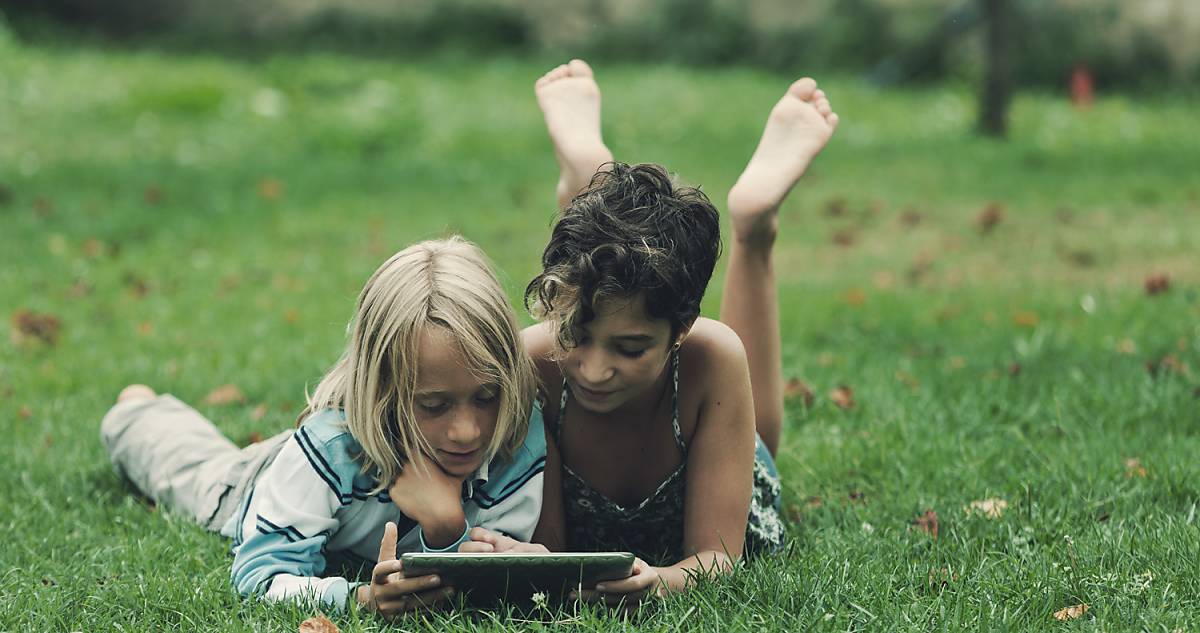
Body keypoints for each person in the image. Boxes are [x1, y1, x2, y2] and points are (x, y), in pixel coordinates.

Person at [477, 59, 838, 604]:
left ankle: (754, 226)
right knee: (594, 278)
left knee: (758, 439)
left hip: (717, 447)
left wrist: (659, 583)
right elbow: (547, 545)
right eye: (576, 335)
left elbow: (718, 557)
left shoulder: (709, 353)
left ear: (681, 329)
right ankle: (588, 185)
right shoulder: (535, 362)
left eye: (630, 348)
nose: (594, 369)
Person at [100, 237, 558, 616]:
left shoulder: (514, 433)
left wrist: (445, 529)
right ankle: (138, 411)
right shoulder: (331, 444)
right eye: (434, 405)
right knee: (195, 470)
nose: (467, 432)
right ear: (381, 389)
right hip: (257, 483)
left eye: (485, 397)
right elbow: (259, 575)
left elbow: (494, 579)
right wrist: (362, 599)